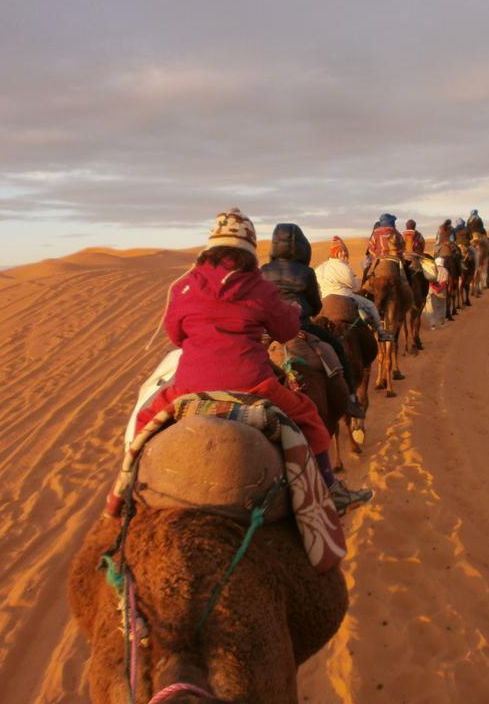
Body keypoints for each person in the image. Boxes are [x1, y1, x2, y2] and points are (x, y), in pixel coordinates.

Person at [137, 208, 371, 511]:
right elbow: (287, 329)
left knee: (144, 422)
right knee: (309, 417)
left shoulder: (184, 285)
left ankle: (120, 495)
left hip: (188, 385)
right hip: (252, 385)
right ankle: (329, 487)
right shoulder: (258, 286)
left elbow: (175, 335)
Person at [260, 223, 365, 420]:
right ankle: (351, 398)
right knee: (336, 347)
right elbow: (316, 306)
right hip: (301, 326)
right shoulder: (305, 272)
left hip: (269, 330)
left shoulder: (263, 270)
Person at [315, 236, 392, 341]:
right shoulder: (343, 266)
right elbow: (354, 285)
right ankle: (381, 332)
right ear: (337, 253)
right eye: (342, 252)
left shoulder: (319, 268)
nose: (344, 254)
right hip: (346, 296)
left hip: (324, 299)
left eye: (344, 252)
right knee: (370, 305)